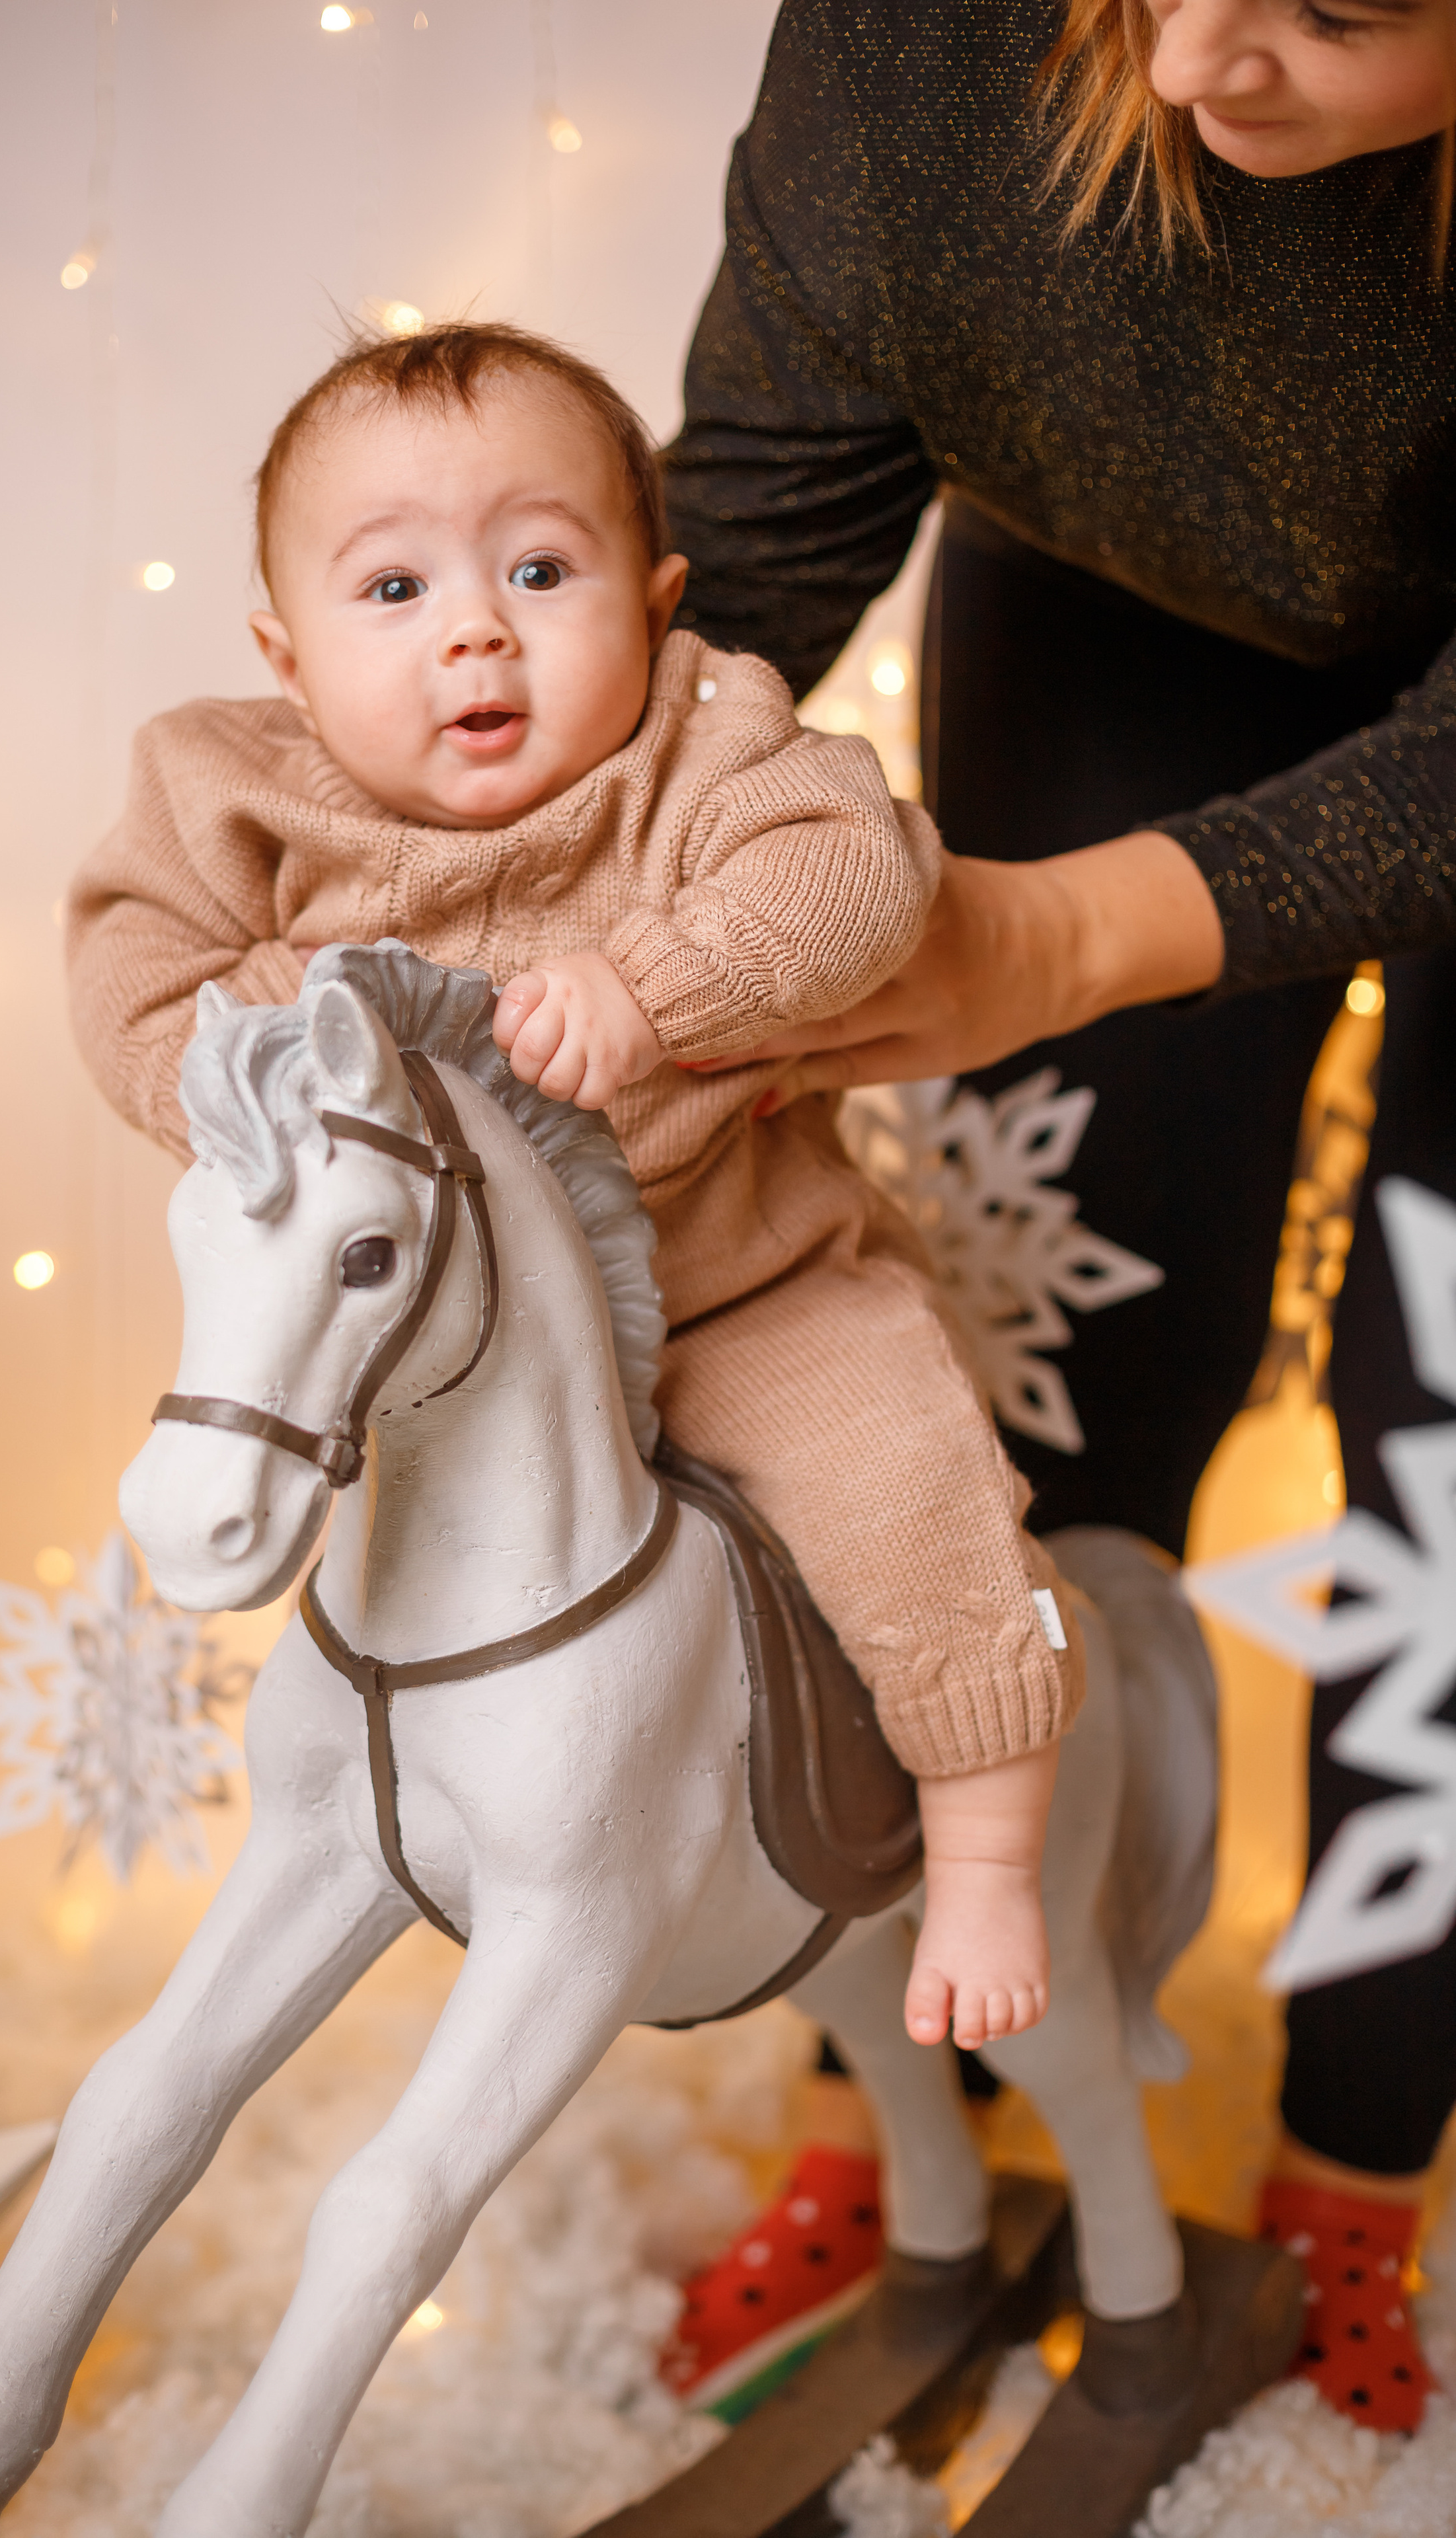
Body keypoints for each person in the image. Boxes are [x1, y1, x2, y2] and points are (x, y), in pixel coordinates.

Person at [660, 0, 1456, 2434]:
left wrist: (1077, 932)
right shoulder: (931, 45)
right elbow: (752, 544)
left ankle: (1362, 2156)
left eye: (1331, 6)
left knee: (1454, 1469)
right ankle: (909, 2101)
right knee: (1006, 1394)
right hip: (1112, 597)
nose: (1201, 59)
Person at [65, 321, 1087, 2072]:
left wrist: (660, 987)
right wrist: (263, 1065)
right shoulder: (228, 788)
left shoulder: (706, 746)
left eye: (541, 571)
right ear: (286, 655)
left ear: (659, 605)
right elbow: (134, 971)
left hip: (742, 1296)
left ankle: (987, 1860)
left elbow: (859, 871)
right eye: (393, 589)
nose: (476, 630)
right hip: (440, 1350)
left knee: (907, 1481)